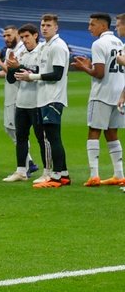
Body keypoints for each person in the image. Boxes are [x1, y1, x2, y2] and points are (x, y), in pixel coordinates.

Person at [71, 13, 124, 186]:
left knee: (94, 131)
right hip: (118, 93)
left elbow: (99, 74)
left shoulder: (98, 43)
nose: (89, 28)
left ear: (102, 26)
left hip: (102, 93)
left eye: (92, 25)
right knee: (112, 132)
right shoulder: (120, 44)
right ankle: (119, 174)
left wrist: (84, 67)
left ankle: (94, 175)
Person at [0, 25, 39, 175]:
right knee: (11, 130)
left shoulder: (22, 50)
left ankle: (26, 166)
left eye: (9, 35)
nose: (6, 38)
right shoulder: (11, 51)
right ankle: (28, 162)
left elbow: (17, 71)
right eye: (4, 36)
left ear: (17, 35)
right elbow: (9, 73)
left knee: (17, 131)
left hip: (19, 95)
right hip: (11, 93)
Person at [31, 14, 71, 188]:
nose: (44, 28)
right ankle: (63, 174)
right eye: (42, 25)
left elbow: (57, 74)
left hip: (53, 97)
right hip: (44, 97)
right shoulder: (45, 46)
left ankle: (55, 178)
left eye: (48, 25)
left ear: (56, 27)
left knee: (52, 137)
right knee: (52, 137)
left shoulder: (58, 46)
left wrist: (32, 76)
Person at [4, 24, 46, 183]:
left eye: (27, 36)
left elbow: (42, 74)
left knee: (41, 138)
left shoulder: (42, 51)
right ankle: (21, 170)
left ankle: (47, 171)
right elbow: (11, 79)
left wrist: (19, 67)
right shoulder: (19, 53)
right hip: (21, 101)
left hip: (38, 101)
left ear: (35, 35)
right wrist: (10, 68)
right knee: (20, 137)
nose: (24, 40)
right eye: (22, 37)